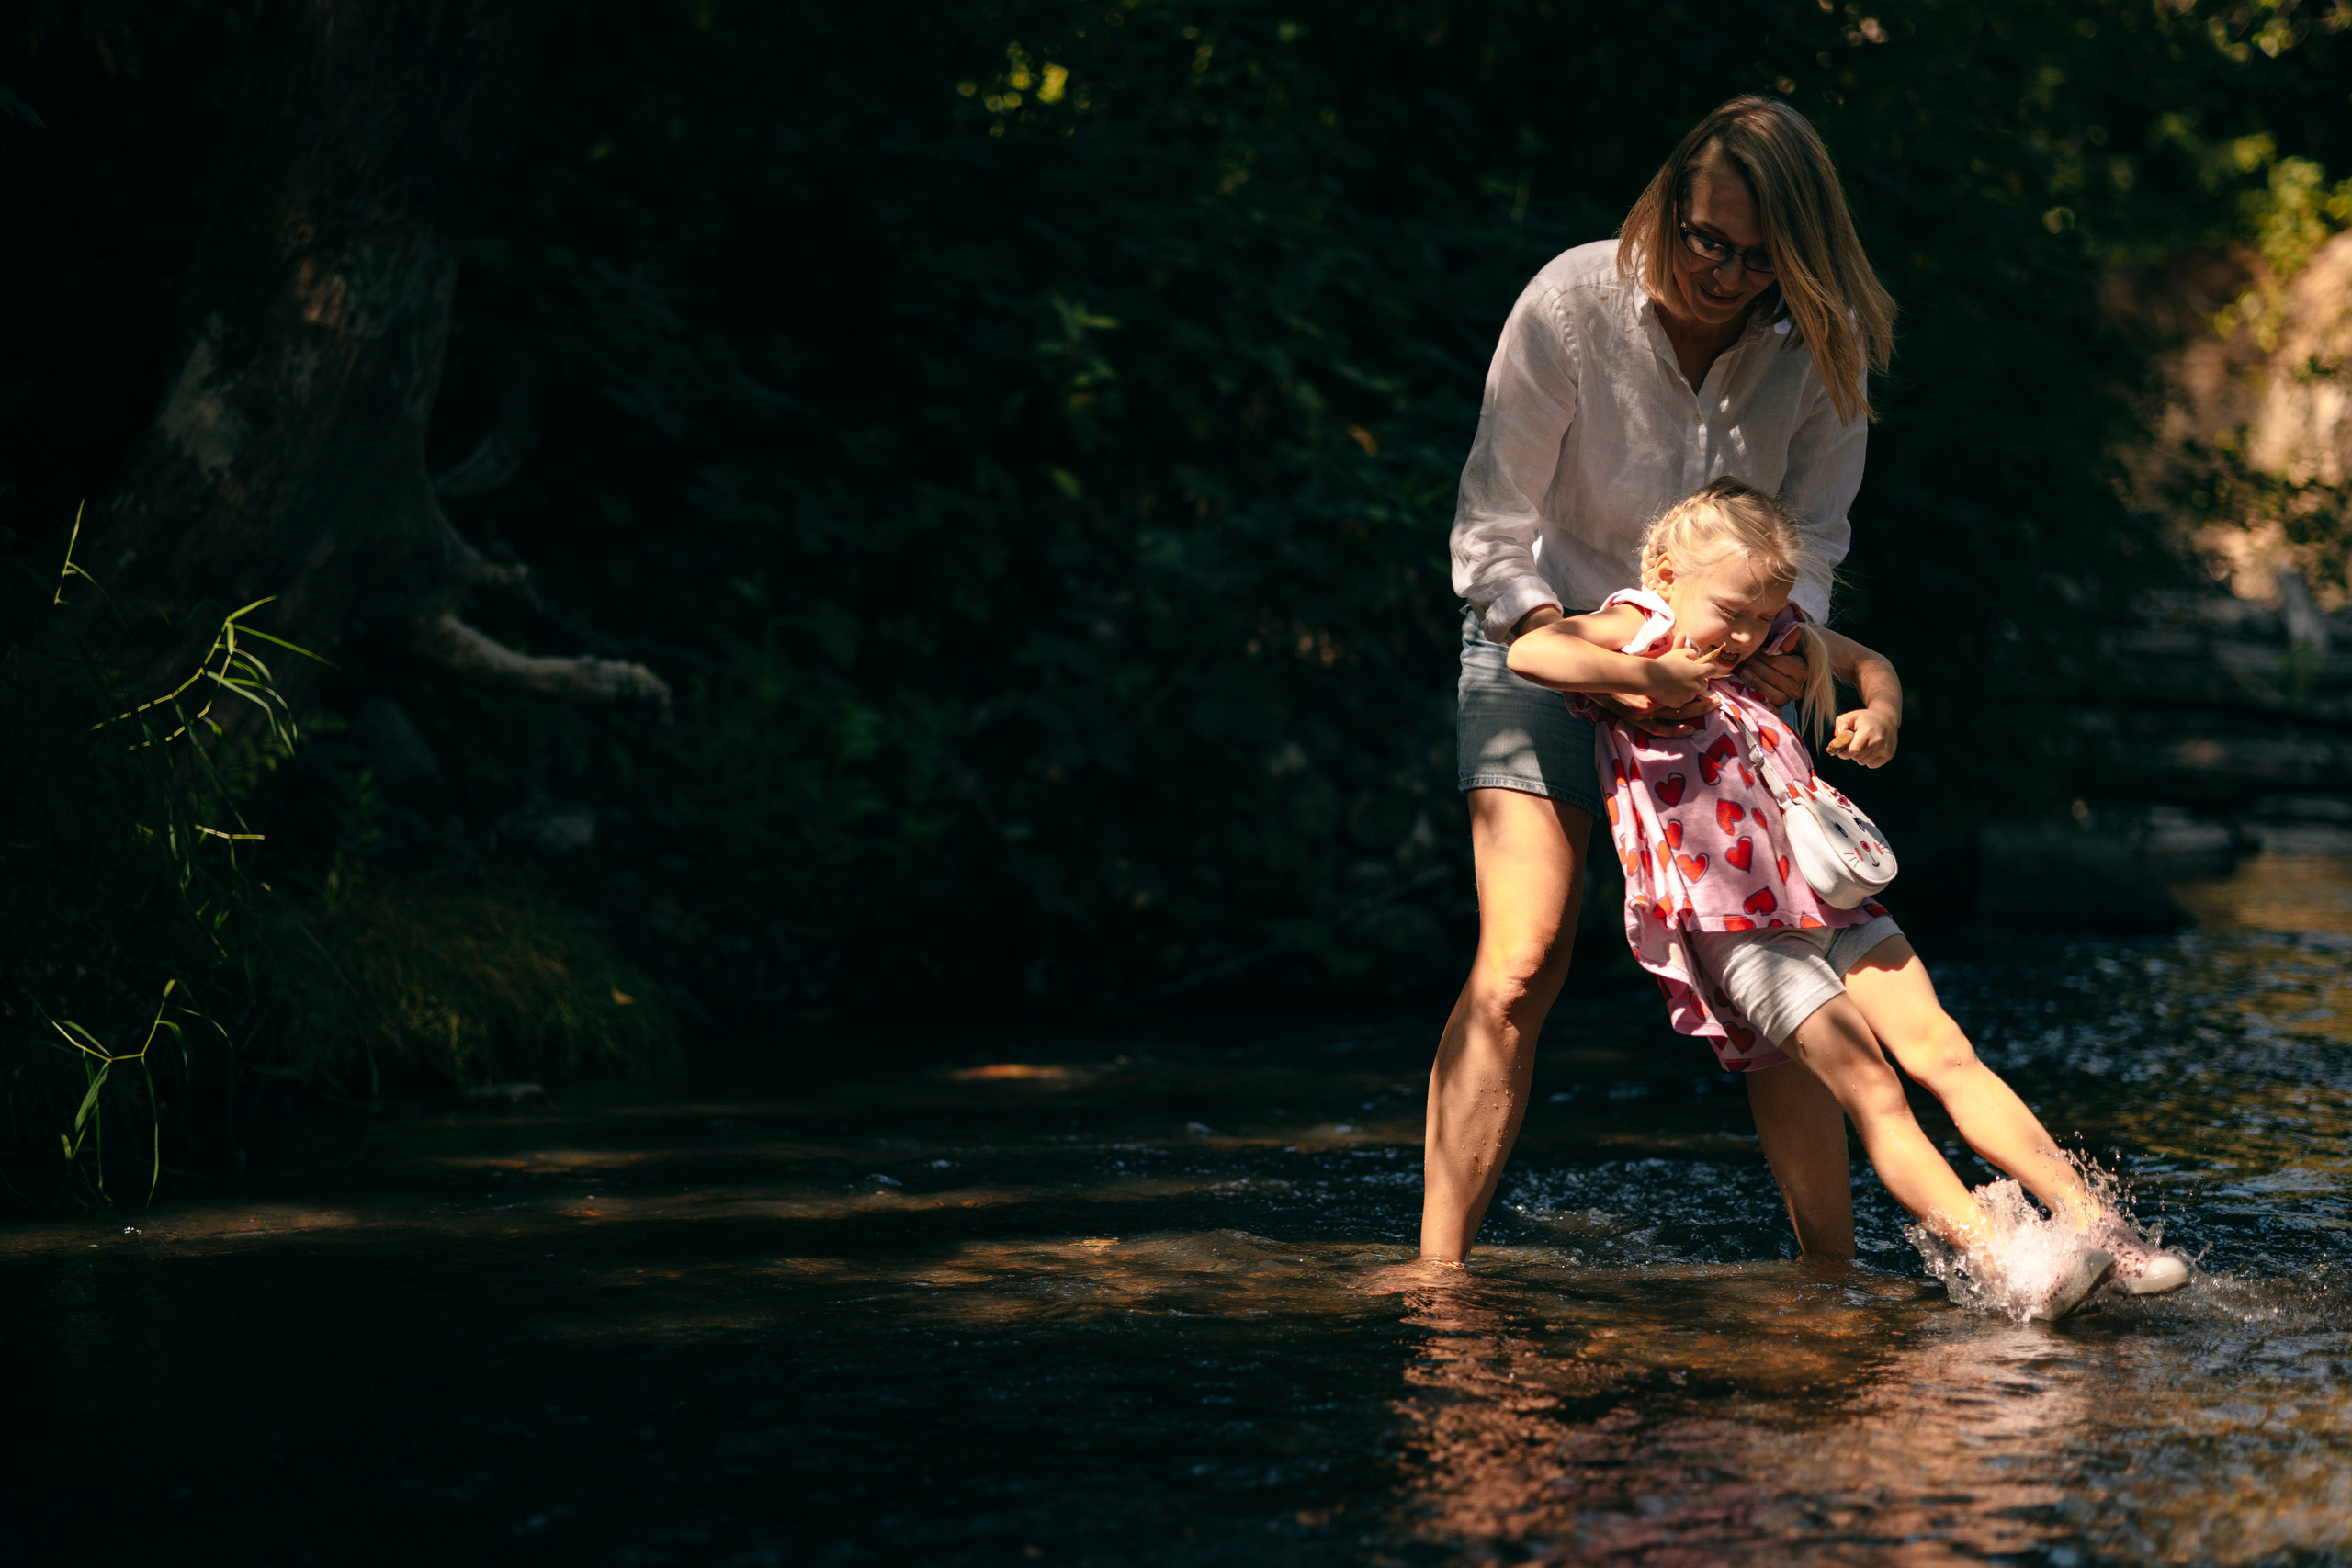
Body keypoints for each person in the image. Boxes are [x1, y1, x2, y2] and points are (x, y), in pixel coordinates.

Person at [1503, 478, 2189, 1315]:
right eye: (1732, 611)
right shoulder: (1641, 624)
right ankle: (2007, 1261)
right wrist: (1645, 672)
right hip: (1739, 926)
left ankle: (2101, 1228)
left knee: (1947, 1051)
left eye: (1765, 614)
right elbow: (1530, 653)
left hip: (1829, 897)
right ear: (1668, 574)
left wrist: (1882, 717)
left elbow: (1874, 666)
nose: (1748, 635)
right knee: (1872, 1087)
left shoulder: (1773, 638)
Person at [1430, 94, 1891, 1263]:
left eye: (1759, 258)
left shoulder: (1818, 343)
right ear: (1667, 204)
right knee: (1521, 963)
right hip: (1546, 636)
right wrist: (1585, 652)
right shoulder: (1569, 302)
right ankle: (1436, 1281)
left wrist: (1785, 642)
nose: (1726, 276)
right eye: (1706, 241)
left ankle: (1829, 1292)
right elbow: (1491, 527)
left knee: (1777, 966)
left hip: (1720, 671)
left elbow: (1815, 535)